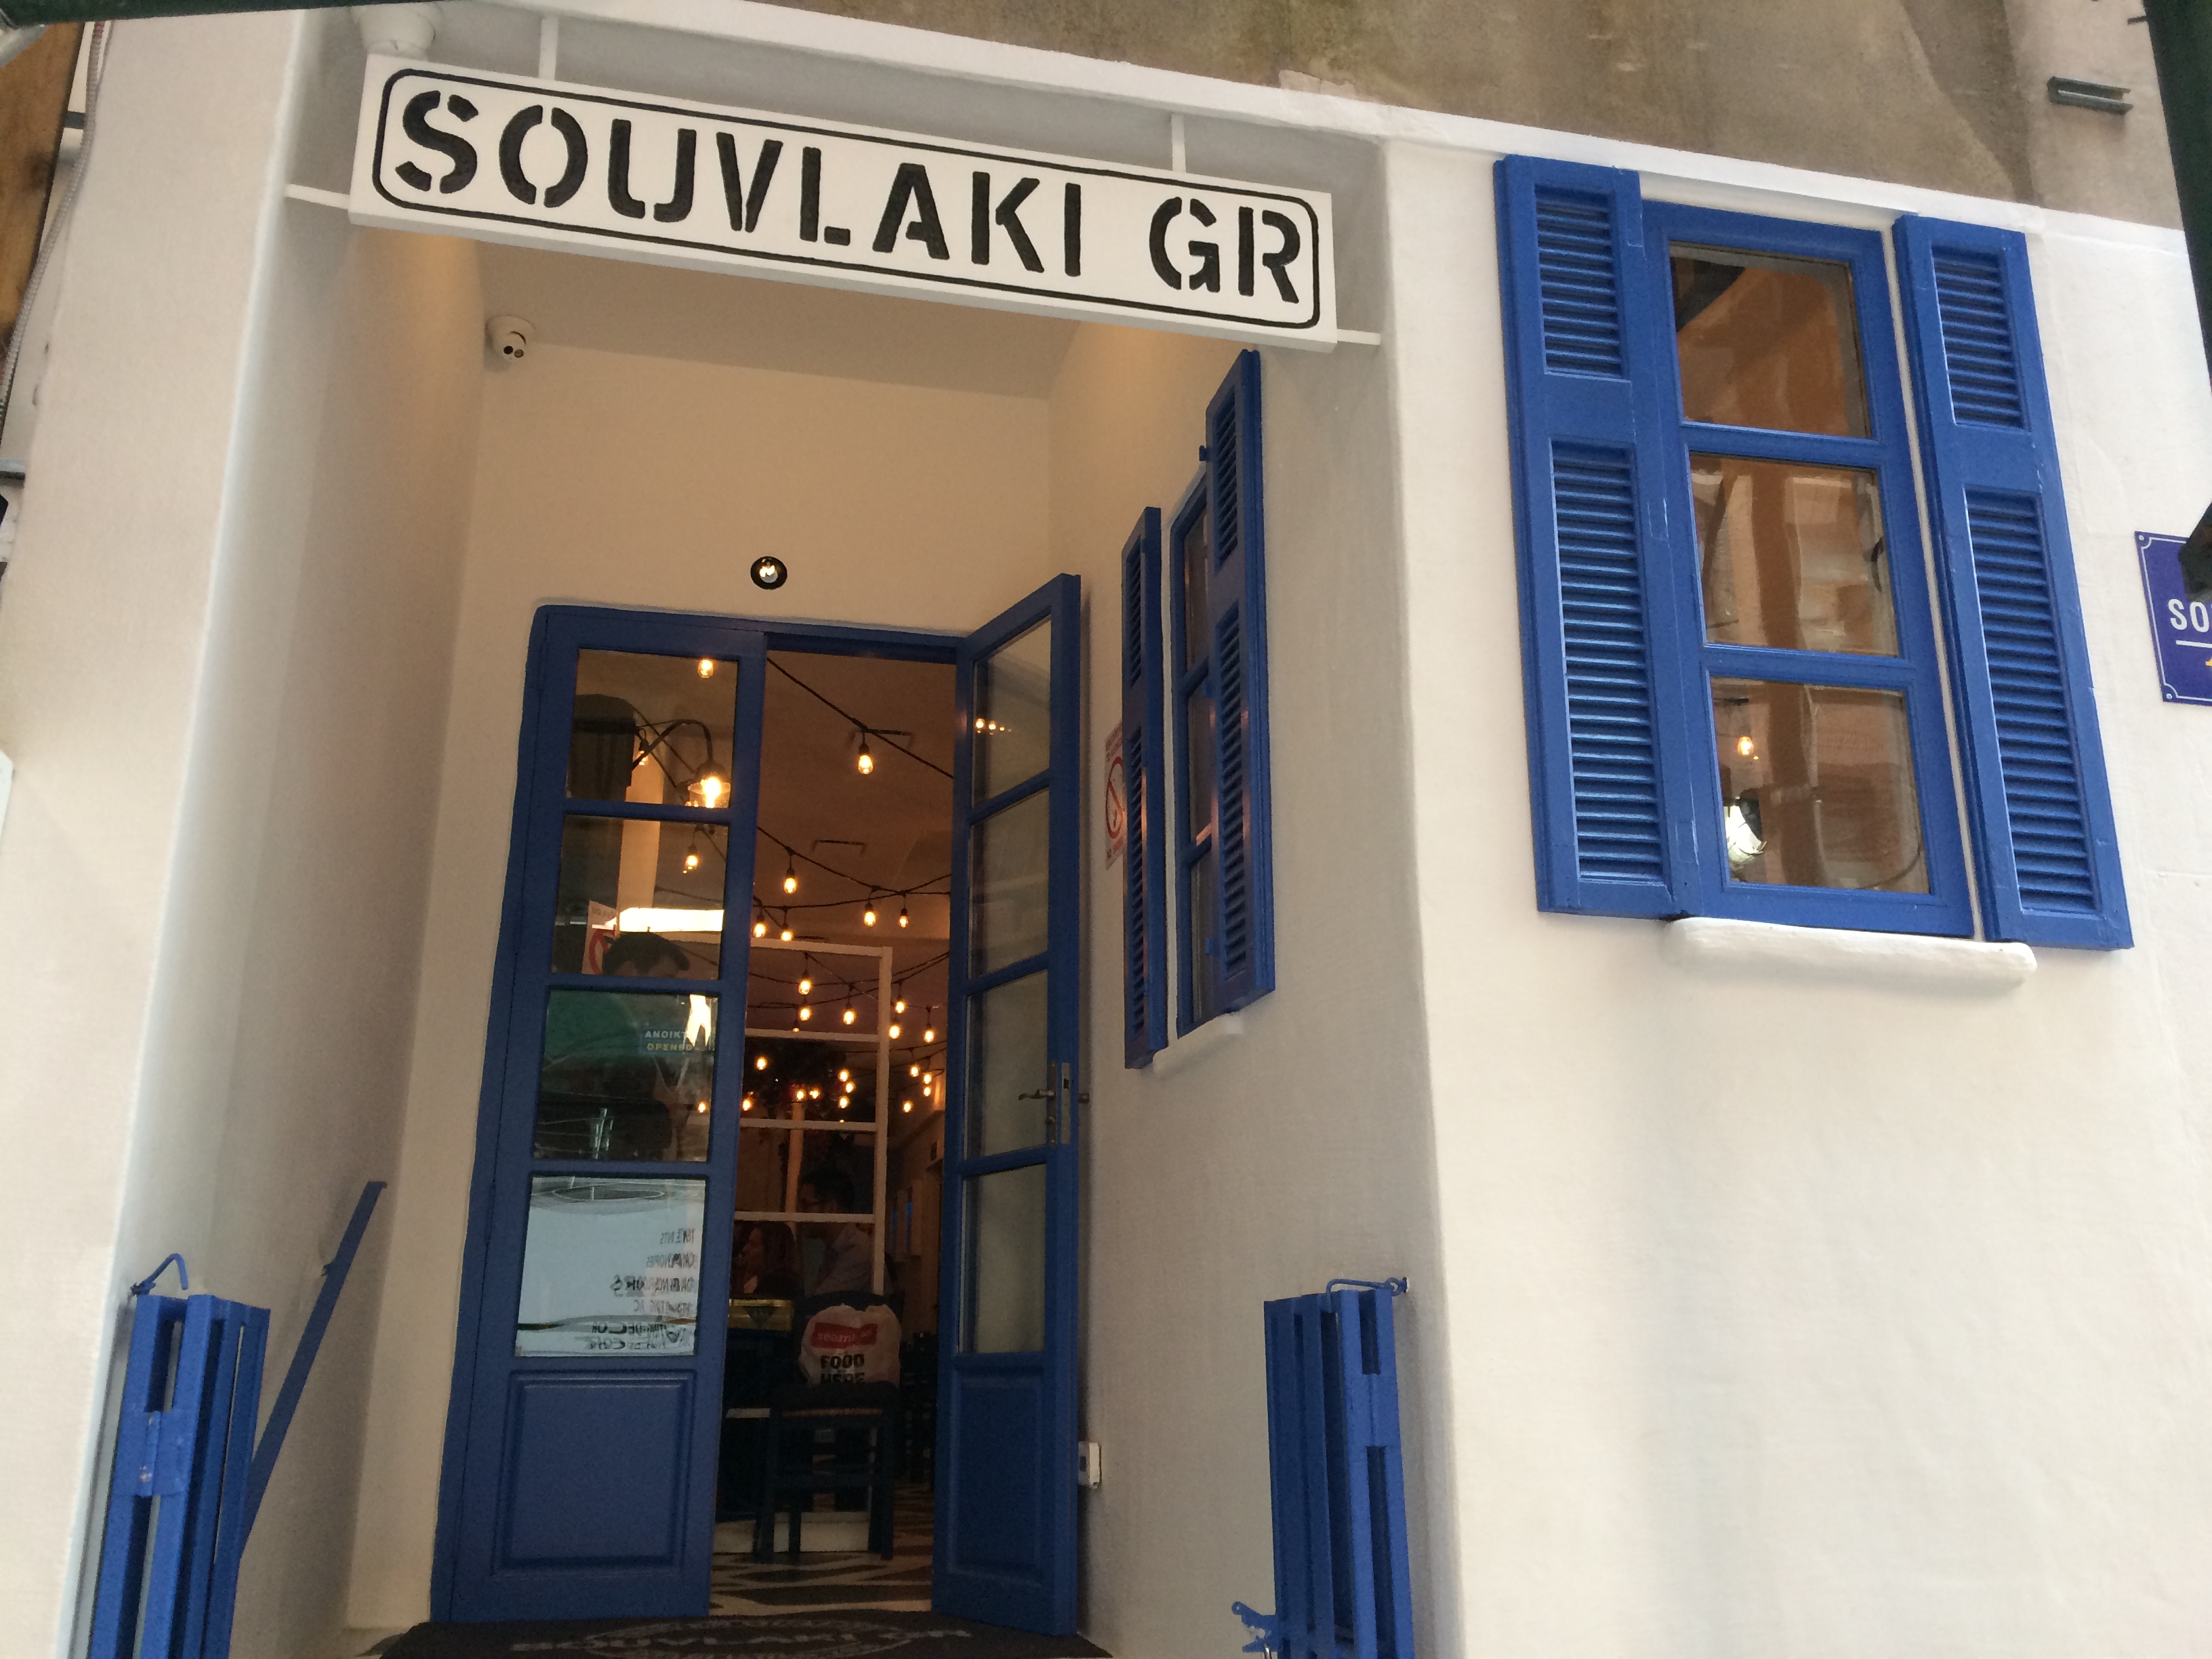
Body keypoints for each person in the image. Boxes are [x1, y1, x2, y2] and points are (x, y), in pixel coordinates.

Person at [798, 1168, 874, 1295]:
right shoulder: (834, 1250)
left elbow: (822, 1301)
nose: (800, 1214)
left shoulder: (858, 1251)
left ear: (831, 1207)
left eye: (806, 1206)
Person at [735, 1221, 803, 1300]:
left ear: (772, 1250)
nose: (745, 1249)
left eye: (754, 1245)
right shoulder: (792, 1282)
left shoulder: (775, 1285)